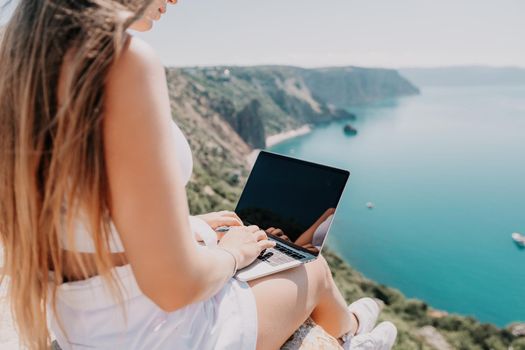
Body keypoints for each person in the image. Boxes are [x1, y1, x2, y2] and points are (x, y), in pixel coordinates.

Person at [0, 1, 398, 349]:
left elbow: (79, 216)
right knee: (311, 267)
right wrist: (230, 253)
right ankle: (352, 337)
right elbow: (175, 287)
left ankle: (352, 330)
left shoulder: (23, 56)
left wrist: (186, 227)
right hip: (151, 334)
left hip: (83, 323)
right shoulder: (123, 60)